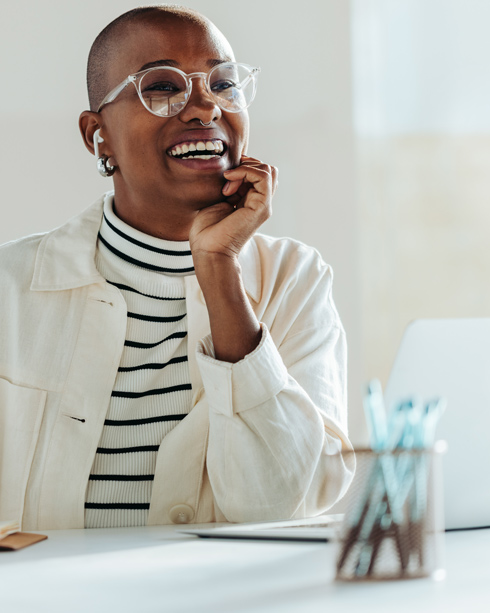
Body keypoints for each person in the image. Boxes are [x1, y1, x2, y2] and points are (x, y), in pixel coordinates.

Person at [0, 5, 354, 530]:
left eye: (224, 84)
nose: (204, 107)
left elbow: (282, 507)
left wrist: (218, 268)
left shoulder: (295, 280)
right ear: (98, 136)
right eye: (162, 87)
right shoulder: (10, 286)